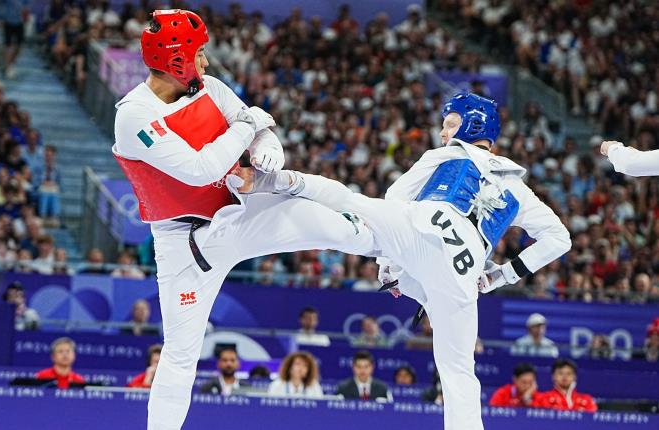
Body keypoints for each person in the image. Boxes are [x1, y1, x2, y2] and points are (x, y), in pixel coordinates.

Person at [111, 10, 376, 430]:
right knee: (180, 354)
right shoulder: (133, 116)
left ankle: (400, 257)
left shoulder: (210, 87)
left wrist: (268, 142)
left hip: (241, 212)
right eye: (200, 54)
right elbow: (202, 167)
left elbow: (254, 129)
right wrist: (251, 124)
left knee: (328, 223)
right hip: (186, 246)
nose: (207, 63)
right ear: (175, 58)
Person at [241, 92, 570, 430]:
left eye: (451, 124)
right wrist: (501, 276)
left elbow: (396, 196)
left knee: (354, 206)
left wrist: (389, 262)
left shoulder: (445, 154)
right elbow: (560, 239)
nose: (444, 132)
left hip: (424, 229)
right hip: (461, 272)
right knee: (459, 374)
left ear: (472, 126)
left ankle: (274, 180)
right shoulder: (519, 187)